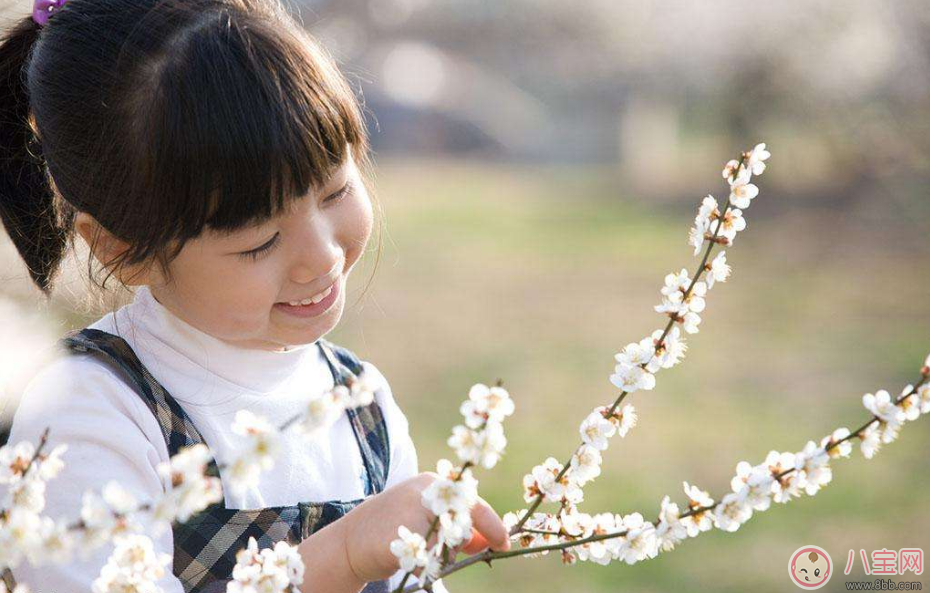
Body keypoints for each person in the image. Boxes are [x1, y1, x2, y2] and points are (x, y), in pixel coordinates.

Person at [0, 0, 511, 591]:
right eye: (260, 241)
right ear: (122, 249)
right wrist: (341, 556)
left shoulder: (361, 405)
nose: (320, 255)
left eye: (336, 191)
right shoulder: (91, 411)